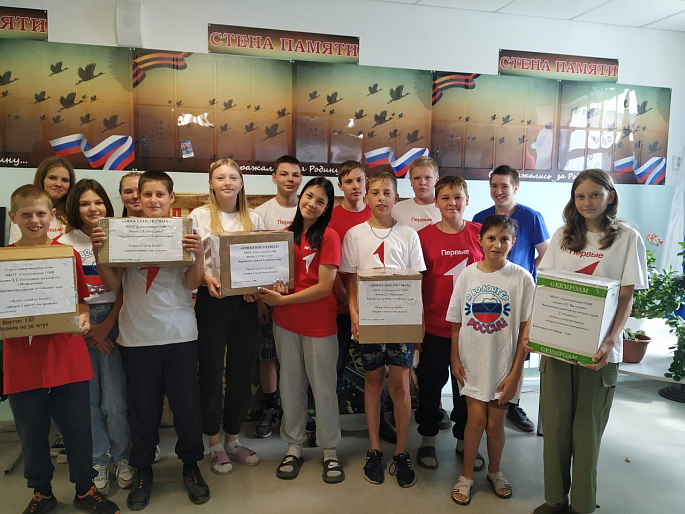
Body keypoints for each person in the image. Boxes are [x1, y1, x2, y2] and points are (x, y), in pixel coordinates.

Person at [91, 170, 210, 510]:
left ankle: (191, 465)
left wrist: (199, 254)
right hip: (137, 335)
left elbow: (192, 283)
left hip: (179, 333)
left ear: (171, 198)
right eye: (147, 195)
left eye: (160, 194)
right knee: (142, 409)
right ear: (137, 198)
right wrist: (101, 252)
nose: (153, 200)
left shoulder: (184, 231)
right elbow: (113, 284)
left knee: (186, 405)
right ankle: (143, 468)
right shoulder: (123, 232)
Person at [532, 169, 647, 514]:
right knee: (555, 429)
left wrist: (611, 342)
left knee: (587, 432)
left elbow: (626, 298)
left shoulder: (627, 238)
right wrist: (533, 331)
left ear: (610, 196)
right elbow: (547, 288)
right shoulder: (563, 235)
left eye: (595, 194)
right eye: (580, 196)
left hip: (599, 353)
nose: (587, 202)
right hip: (558, 347)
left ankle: (582, 505)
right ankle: (556, 499)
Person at [4, 184, 120, 514]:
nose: (34, 220)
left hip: (66, 355)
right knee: (31, 431)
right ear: (13, 217)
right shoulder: (4, 259)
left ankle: (85, 489)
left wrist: (83, 318)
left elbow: (81, 301)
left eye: (41, 213)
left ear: (52, 215)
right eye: (26, 214)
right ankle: (42, 492)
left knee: (78, 427)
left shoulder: (67, 254)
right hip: (22, 358)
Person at [340, 171, 426, 488]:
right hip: (370, 320)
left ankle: (401, 451)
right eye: (374, 192)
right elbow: (351, 281)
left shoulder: (409, 234)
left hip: (400, 321)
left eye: (387, 192)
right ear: (366, 197)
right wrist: (354, 314)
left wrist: (416, 323)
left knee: (401, 386)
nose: (380, 198)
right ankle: (374, 449)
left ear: (396, 197)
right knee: (374, 383)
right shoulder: (355, 235)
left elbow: (416, 282)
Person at [258, 177, 344, 484]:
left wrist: (284, 299)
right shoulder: (284, 236)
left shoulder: (330, 236)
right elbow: (277, 277)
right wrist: (275, 289)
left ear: (327, 208)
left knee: (323, 388)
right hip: (286, 324)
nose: (312, 204)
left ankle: (330, 449)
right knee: (291, 386)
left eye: (320, 201)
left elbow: (324, 287)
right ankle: (293, 446)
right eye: (309, 196)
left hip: (319, 326)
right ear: (300, 197)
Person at [447, 214, 535, 506]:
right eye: (491, 238)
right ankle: (466, 475)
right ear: (480, 240)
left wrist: (516, 372)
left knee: (496, 425)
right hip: (472, 362)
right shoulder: (468, 275)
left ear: (513, 242)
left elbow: (525, 331)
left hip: (505, 365)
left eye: (504, 239)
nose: (497, 244)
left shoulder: (522, 279)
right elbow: (456, 321)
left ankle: (495, 471)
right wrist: (454, 356)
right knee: (475, 420)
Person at [188, 159, 264, 475]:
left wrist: (256, 287)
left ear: (242, 183)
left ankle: (233, 438)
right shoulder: (198, 216)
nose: (227, 182)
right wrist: (206, 278)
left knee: (241, 372)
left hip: (245, 303)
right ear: (211, 183)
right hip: (212, 301)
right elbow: (192, 261)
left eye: (233, 177)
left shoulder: (254, 218)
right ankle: (214, 443)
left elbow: (262, 259)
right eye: (220, 177)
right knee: (210, 372)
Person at [60, 179, 133, 495]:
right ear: (74, 208)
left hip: (115, 320)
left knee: (115, 400)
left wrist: (106, 328)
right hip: (79, 326)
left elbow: (126, 287)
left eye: (98, 202)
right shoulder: (63, 243)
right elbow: (63, 294)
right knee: (88, 401)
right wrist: (90, 331)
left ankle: (123, 456)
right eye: (84, 203)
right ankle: (97, 460)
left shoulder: (118, 236)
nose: (93, 208)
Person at [473, 165, 550, 432]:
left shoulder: (531, 217)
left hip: (518, 296)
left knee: (519, 350)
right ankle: (484, 396)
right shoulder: (480, 217)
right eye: (494, 186)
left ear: (515, 188)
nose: (498, 191)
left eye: (504, 186)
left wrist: (526, 274)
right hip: (488, 295)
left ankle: (513, 404)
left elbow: (545, 254)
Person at [414, 175, 483, 471]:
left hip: (474, 330)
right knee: (430, 385)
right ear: (436, 202)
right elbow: (415, 285)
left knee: (465, 389)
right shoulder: (423, 237)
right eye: (445, 198)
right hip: (434, 329)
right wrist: (416, 327)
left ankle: (464, 441)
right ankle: (427, 439)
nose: (452, 203)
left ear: (467, 200)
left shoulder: (481, 233)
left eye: (457, 197)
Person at [253, 155, 303, 439]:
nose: (289, 179)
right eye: (284, 174)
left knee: (302, 357)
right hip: (270, 297)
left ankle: (302, 410)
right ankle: (271, 408)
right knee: (268, 354)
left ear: (301, 179)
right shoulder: (261, 214)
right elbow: (255, 259)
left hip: (303, 297)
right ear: (273, 177)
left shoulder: (310, 209)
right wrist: (260, 299)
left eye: (295, 174)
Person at [9, 156, 76, 244]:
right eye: (52, 178)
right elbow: (16, 249)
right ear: (41, 179)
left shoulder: (76, 214)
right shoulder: (22, 215)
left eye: (65, 180)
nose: (58, 184)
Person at [391, 156, 441, 231]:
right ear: (411, 181)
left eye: (427, 178)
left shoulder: (446, 209)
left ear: (436, 180)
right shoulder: (396, 209)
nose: (422, 183)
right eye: (417, 178)